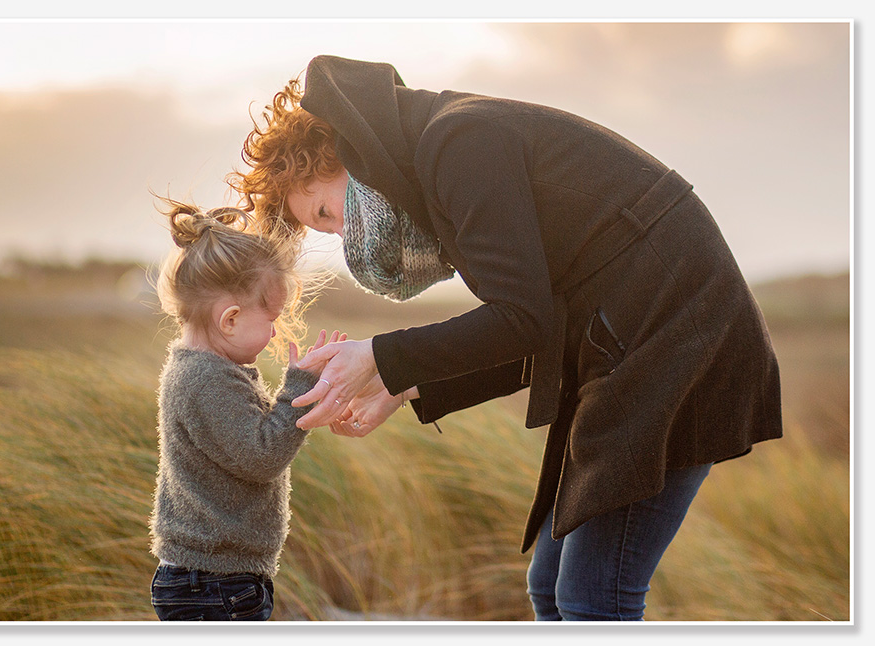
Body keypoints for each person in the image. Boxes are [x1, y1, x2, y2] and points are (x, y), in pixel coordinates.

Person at [229, 55, 783, 621]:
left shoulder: (457, 142)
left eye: (329, 211)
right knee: (550, 587)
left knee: (593, 598)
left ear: (349, 151)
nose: (347, 236)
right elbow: (532, 324)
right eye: (326, 228)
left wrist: (378, 357)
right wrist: (399, 389)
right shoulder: (436, 154)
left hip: (678, 335)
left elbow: (523, 321)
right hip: (628, 341)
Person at [147, 197, 341, 621]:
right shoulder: (207, 381)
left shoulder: (204, 371)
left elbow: (251, 438)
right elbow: (262, 454)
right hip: (216, 583)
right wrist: (296, 392)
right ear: (230, 319)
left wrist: (309, 400)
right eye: (271, 318)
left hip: (210, 578)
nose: (275, 331)